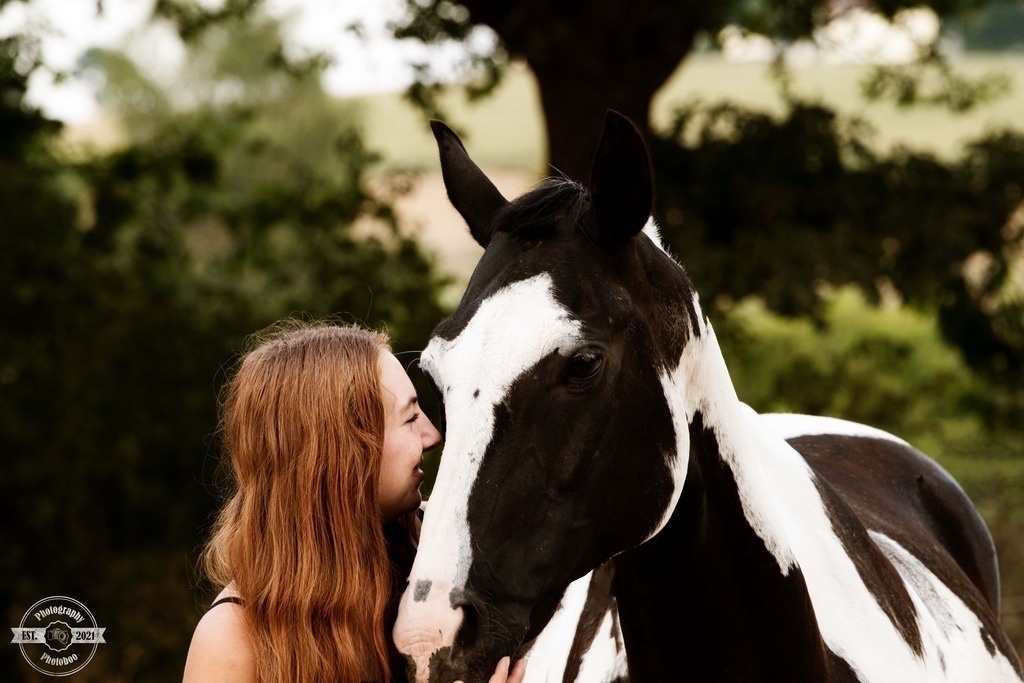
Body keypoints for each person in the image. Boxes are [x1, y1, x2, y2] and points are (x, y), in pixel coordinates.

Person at [182, 322, 526, 683]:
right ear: (342, 456)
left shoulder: (443, 555)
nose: (432, 435)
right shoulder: (231, 641)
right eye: (410, 418)